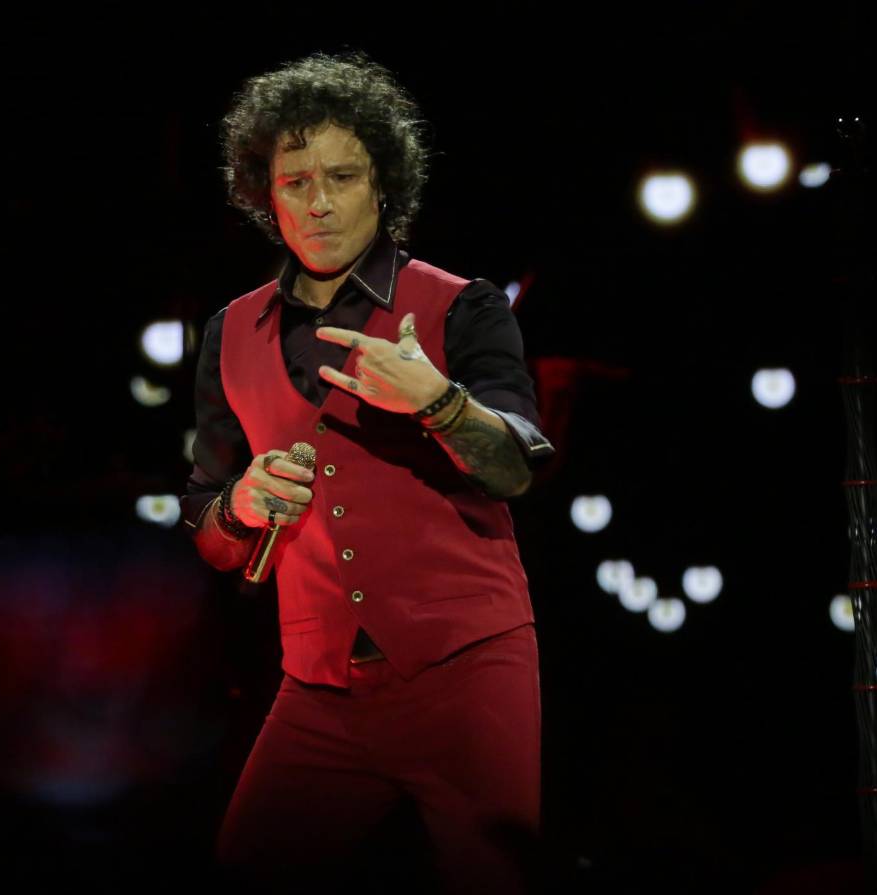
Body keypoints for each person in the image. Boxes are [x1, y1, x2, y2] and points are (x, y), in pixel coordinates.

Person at [180, 52, 555, 894]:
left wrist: (440, 402)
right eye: (296, 181)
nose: (318, 202)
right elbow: (206, 524)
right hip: (320, 687)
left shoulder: (461, 305)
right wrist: (239, 505)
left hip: (466, 669)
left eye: (342, 177)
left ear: (382, 184)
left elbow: (516, 469)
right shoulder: (230, 332)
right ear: (266, 196)